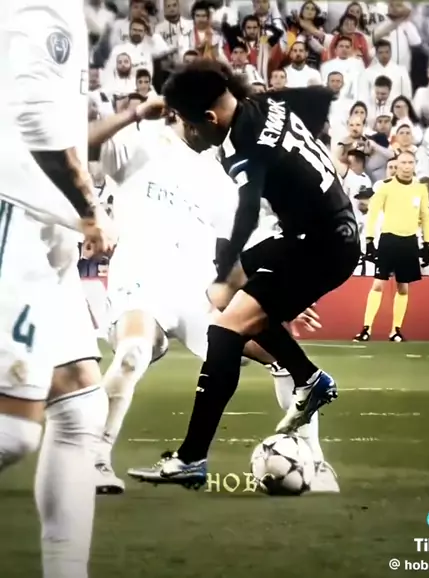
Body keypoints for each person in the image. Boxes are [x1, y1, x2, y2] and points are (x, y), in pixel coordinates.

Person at [92, 112, 337, 494]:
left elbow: (242, 243)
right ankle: (95, 460)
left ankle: (316, 464)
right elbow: (85, 144)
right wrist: (137, 111)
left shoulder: (220, 172)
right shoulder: (141, 140)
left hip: (200, 289)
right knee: (133, 352)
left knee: (281, 354)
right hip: (142, 280)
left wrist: (279, 291)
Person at [151, 59, 360, 488]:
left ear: (210, 118)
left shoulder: (241, 143)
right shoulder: (266, 103)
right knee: (229, 301)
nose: (190, 133)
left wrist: (225, 272)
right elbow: (320, 97)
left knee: (224, 327)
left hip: (319, 246)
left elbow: (247, 214)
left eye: (190, 124)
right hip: (323, 232)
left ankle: (191, 458)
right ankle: (308, 378)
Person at [0, 1, 115, 577]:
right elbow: (34, 117)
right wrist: (90, 209)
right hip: (15, 211)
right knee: (11, 433)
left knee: (78, 402)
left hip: (44, 222)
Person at [354, 151, 429, 342]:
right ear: (397, 165)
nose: (406, 166)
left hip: (409, 241)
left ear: (414, 165)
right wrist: (369, 240)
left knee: (403, 287)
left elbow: (426, 217)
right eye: (403, 162)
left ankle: (395, 330)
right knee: (378, 284)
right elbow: (373, 213)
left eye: (410, 162)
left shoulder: (420, 189)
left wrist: (427, 244)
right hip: (388, 239)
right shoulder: (385, 187)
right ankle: (366, 329)